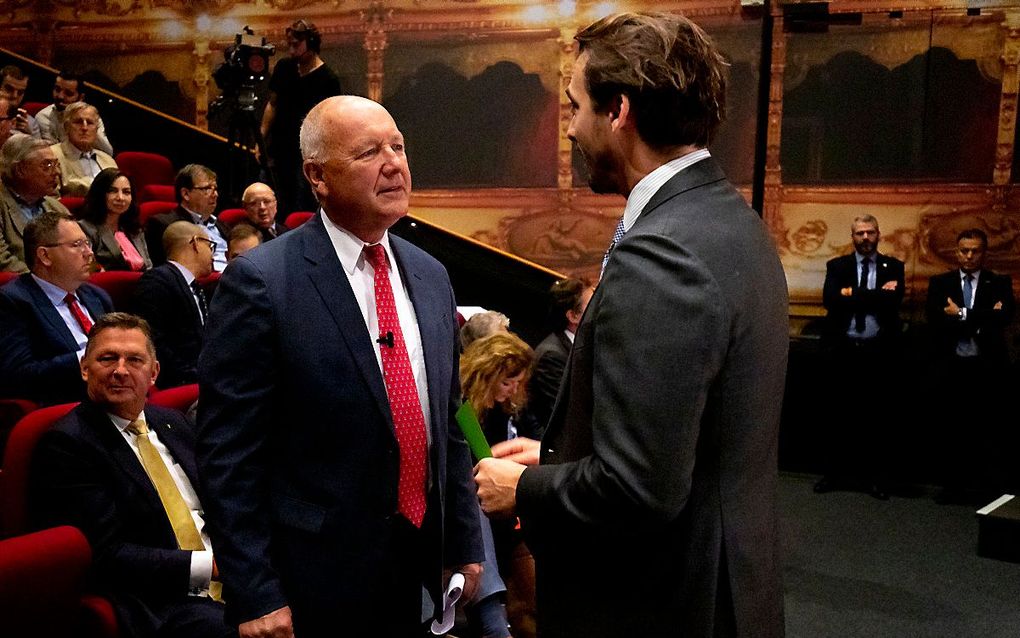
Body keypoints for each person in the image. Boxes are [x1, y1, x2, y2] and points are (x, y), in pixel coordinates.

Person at [473, 13, 788, 638]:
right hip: (726, 584)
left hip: (661, 604)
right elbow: (686, 439)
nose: (570, 128)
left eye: (576, 105)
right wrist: (561, 457)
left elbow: (639, 491)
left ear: (619, 110)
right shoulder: (729, 220)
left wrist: (527, 490)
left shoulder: (662, 252)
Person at [197, 95, 483, 637]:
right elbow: (228, 454)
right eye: (369, 152)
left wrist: (462, 542)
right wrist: (255, 590)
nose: (394, 163)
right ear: (317, 176)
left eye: (397, 146)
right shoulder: (262, 282)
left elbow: (447, 421)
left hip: (416, 564)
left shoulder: (430, 274)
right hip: (312, 578)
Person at [29, 312, 236, 638]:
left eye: (134, 360)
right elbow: (107, 554)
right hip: (162, 597)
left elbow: (222, 498)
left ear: (153, 373)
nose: (120, 370)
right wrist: (211, 567)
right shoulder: (68, 444)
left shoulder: (173, 422)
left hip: (231, 570)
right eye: (108, 358)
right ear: (85, 368)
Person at [815, 214, 904, 499]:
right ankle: (832, 475)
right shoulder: (837, 265)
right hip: (843, 351)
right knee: (837, 416)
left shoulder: (895, 267)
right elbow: (831, 299)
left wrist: (853, 294)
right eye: (859, 233)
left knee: (876, 419)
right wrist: (877, 293)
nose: (865, 238)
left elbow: (894, 301)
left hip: (878, 352)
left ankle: (875, 480)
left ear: (879, 234)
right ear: (852, 237)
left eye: (870, 232)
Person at [461, 331, 541, 638]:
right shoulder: (462, 410)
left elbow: (538, 441)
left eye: (519, 382)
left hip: (513, 518)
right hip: (479, 514)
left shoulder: (512, 410)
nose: (513, 390)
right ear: (487, 374)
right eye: (508, 381)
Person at [926, 228, 1016, 502]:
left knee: (987, 429)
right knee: (953, 428)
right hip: (953, 365)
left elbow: (1003, 318)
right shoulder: (941, 283)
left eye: (975, 250)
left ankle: (987, 489)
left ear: (984, 252)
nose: (969, 256)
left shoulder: (998, 283)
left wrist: (962, 313)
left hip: (986, 366)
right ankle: (952, 486)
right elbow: (936, 320)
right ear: (957, 252)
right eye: (964, 250)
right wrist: (982, 317)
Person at [0, 210, 112, 404]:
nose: (89, 253)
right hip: (70, 406)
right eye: (77, 245)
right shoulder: (12, 301)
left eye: (88, 244)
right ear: (45, 256)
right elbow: (17, 376)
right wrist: (87, 358)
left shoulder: (97, 296)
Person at [260, 20, 342, 217]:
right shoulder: (284, 67)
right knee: (276, 194)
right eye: (289, 44)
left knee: (299, 200)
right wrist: (261, 136)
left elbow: (329, 120)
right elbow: (273, 103)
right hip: (280, 146)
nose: (291, 50)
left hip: (306, 150)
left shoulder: (328, 78)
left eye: (296, 44)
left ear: (311, 44)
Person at [131, 221, 213, 389]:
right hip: (180, 383)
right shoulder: (156, 282)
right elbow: (154, 342)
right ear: (196, 243)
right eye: (210, 245)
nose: (212, 254)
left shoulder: (195, 286)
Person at [0, 134, 69, 272]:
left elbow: (80, 249)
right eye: (47, 165)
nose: (56, 172)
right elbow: (3, 262)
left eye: (56, 165)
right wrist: (45, 283)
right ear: (20, 170)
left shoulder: (56, 207)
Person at [529, 278, 592, 429]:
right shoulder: (551, 356)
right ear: (573, 316)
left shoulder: (585, 346)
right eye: (592, 305)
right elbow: (566, 414)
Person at [145, 164, 229, 271]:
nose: (215, 194)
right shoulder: (164, 225)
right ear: (186, 194)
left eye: (215, 189)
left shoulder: (224, 226)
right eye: (207, 188)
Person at [78, 168, 151, 272]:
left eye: (126, 192)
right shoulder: (85, 228)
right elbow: (88, 268)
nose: (120, 197)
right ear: (100, 194)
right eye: (113, 191)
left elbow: (148, 267)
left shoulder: (135, 230)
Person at [36, 71, 114, 155]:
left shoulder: (91, 118)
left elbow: (108, 152)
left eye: (69, 93)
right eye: (57, 90)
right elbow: (52, 153)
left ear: (81, 97)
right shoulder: (43, 117)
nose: (60, 96)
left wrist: (93, 128)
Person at [51, 101, 118, 196]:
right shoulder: (52, 155)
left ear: (96, 129)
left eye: (90, 123)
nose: (84, 127)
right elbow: (51, 200)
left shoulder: (108, 160)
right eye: (78, 122)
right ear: (66, 127)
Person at [0, 65, 41, 137]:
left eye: (20, 92)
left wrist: (29, 136)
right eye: (9, 89)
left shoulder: (30, 124)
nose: (15, 96)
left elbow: (38, 148)